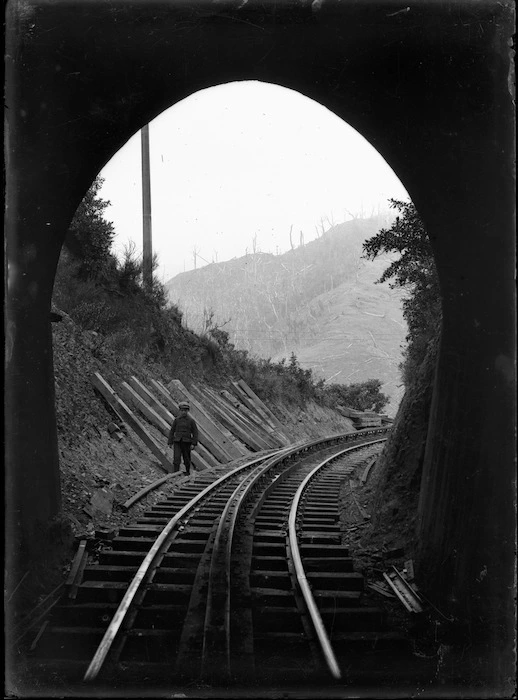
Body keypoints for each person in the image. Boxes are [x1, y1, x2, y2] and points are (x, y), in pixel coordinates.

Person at [167, 401, 198, 475]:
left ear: (187, 411)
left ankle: (187, 472)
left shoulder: (191, 421)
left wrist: (194, 443)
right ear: (180, 411)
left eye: (185, 411)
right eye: (182, 410)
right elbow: (172, 431)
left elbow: (195, 432)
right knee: (176, 458)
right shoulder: (177, 420)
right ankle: (175, 473)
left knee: (186, 459)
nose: (184, 412)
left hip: (187, 442)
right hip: (177, 441)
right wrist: (170, 442)